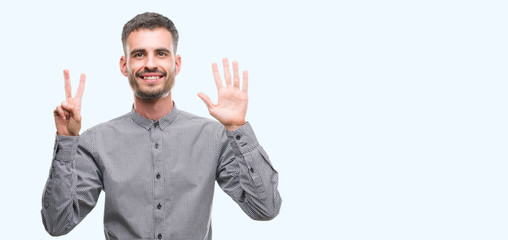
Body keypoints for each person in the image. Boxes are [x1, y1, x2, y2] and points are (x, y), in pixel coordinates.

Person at [41, 12, 281, 240]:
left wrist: (237, 127)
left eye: (161, 53)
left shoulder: (214, 137)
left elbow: (265, 208)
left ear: (176, 63)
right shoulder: (96, 142)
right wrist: (66, 141)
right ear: (124, 65)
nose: (150, 64)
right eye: (139, 54)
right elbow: (57, 224)